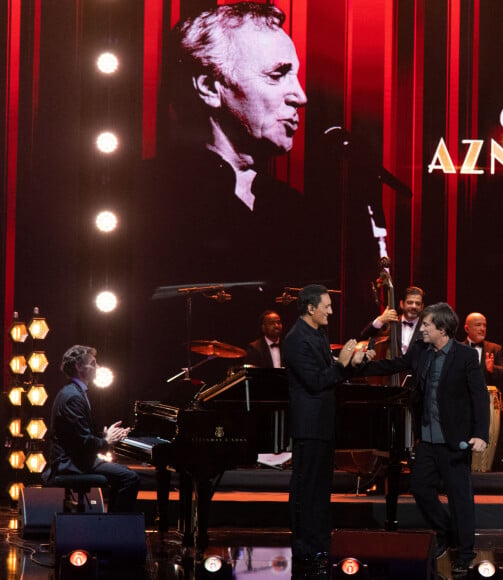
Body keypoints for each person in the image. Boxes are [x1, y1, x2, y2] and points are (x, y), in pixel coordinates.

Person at [133, 2, 314, 390]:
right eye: (278, 75)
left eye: (296, 76)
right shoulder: (147, 194)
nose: (299, 96)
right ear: (209, 87)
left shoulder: (293, 209)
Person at [361, 303, 489, 575]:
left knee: (460, 498)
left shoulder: (465, 356)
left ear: (442, 328)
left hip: (454, 440)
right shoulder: (421, 351)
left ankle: (465, 553)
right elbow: (393, 364)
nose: (423, 328)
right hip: (428, 439)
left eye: (427, 324)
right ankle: (447, 532)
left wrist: (480, 434)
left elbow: (480, 397)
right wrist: (358, 366)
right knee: (420, 488)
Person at [283, 284, 365, 577]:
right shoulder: (295, 339)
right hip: (308, 426)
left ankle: (319, 544)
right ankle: (304, 548)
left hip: (322, 424)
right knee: (307, 489)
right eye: (327, 306)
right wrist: (341, 364)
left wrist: (351, 364)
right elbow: (316, 381)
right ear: (310, 308)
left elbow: (332, 374)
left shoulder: (317, 334)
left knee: (320, 489)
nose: (331, 311)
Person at [42, 345, 140, 513]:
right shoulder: (73, 396)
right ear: (79, 367)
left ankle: (112, 526)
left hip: (77, 459)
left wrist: (106, 435)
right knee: (129, 478)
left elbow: (79, 434)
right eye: (93, 363)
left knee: (126, 475)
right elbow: (83, 441)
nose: (97, 367)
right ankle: (115, 530)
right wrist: (107, 441)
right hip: (70, 463)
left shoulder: (75, 392)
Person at [360, 285, 424, 355]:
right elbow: (364, 336)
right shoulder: (390, 324)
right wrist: (380, 320)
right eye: (410, 302)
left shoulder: (427, 327)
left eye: (417, 303)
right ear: (402, 304)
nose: (414, 306)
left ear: (422, 307)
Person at [463, 312, 503, 389]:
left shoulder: (495, 348)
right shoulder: (456, 349)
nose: (482, 329)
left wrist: (492, 368)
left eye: (484, 325)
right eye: (478, 325)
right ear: (467, 329)